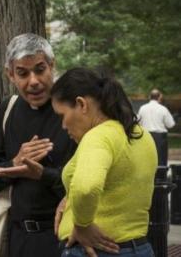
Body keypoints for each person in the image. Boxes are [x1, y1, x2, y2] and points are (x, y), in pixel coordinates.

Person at [0, 33, 76, 257]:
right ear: (10, 75)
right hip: (17, 237)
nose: (33, 81)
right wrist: (15, 163)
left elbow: (83, 183)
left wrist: (42, 173)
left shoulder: (74, 109)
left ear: (52, 65)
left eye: (40, 70)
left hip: (64, 235)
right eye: (23, 73)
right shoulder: (8, 110)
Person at [52, 68, 157, 257]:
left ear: (81, 104)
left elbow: (86, 188)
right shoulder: (142, 135)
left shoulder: (98, 136)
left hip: (97, 251)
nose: (63, 125)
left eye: (62, 115)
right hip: (140, 248)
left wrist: (82, 225)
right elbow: (121, 183)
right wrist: (70, 198)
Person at [138, 89, 175, 166]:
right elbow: (171, 124)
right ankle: (160, 177)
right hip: (160, 138)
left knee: (146, 159)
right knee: (161, 160)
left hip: (146, 136)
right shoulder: (163, 109)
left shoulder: (142, 108)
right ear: (159, 97)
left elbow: (138, 123)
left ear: (149, 97)